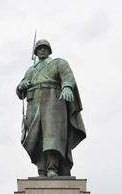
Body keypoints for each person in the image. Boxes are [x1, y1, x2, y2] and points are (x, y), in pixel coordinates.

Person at [16, 39, 86, 177]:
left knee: (51, 136)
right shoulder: (31, 70)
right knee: (37, 137)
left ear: (49, 51)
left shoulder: (58, 63)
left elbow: (67, 75)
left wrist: (66, 87)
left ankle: (52, 168)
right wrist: (20, 87)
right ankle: (41, 170)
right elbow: (20, 92)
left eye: (45, 48)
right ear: (35, 52)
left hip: (53, 101)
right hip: (34, 103)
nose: (42, 50)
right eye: (39, 48)